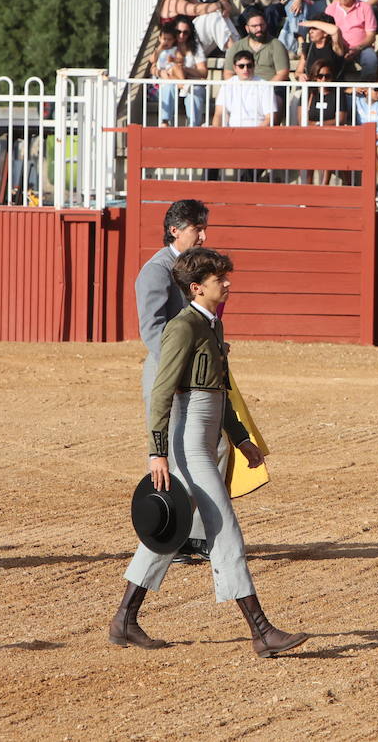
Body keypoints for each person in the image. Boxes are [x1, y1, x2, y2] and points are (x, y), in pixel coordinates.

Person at [111, 247, 306, 658]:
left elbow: (221, 390)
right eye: (220, 279)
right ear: (197, 287)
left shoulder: (212, 324)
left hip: (202, 436)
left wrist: (240, 436)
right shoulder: (183, 327)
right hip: (187, 444)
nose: (229, 283)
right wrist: (157, 453)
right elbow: (162, 392)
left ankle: (124, 619)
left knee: (169, 530)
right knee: (223, 531)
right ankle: (261, 631)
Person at [134, 200, 215, 565]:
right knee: (172, 455)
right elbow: (152, 330)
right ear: (174, 230)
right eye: (197, 228)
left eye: (204, 227)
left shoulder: (192, 268)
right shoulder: (156, 271)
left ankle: (193, 532)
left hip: (195, 371)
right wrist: (179, 369)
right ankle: (173, 533)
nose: (203, 235)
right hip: (167, 371)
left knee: (205, 450)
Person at [324, 0, 378, 78]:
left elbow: (371, 36)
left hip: (362, 48)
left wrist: (357, 48)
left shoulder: (365, 7)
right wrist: (339, 47)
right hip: (337, 47)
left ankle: (365, 90)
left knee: (371, 59)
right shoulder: (331, 9)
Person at [213, 53, 278, 128]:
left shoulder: (265, 86)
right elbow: (219, 114)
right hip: (233, 131)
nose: (245, 69)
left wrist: (254, 134)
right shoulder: (227, 85)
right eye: (241, 66)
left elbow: (270, 117)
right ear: (235, 68)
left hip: (258, 132)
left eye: (249, 65)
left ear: (254, 66)